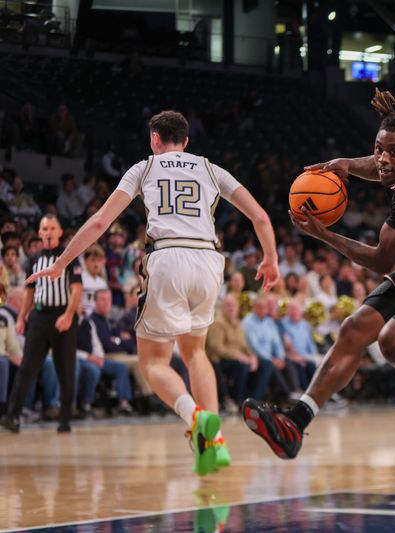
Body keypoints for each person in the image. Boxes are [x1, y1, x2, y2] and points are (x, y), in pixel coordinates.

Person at [24, 110, 280, 476]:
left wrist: (62, 262)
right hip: (208, 259)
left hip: (168, 257)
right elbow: (261, 217)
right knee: (195, 353)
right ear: (187, 141)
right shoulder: (211, 169)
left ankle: (195, 417)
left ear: (154, 140)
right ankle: (214, 439)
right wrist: (270, 259)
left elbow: (100, 222)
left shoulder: (144, 168)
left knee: (154, 362)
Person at [242, 88, 395, 459]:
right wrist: (346, 164)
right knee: (354, 330)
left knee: (391, 343)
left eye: (393, 152)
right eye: (379, 148)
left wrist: (323, 235)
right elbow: (377, 167)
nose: (382, 159)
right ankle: (295, 423)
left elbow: (378, 261)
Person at [0, 214, 82, 433]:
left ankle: (65, 419)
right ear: (39, 232)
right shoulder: (33, 259)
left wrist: (68, 315)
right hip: (39, 317)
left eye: (52, 228)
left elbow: (76, 290)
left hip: (63, 318)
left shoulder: (69, 257)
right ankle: (12, 416)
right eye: (44, 229)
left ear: (60, 232)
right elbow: (29, 291)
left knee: (65, 369)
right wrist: (21, 317)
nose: (48, 232)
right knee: (27, 367)